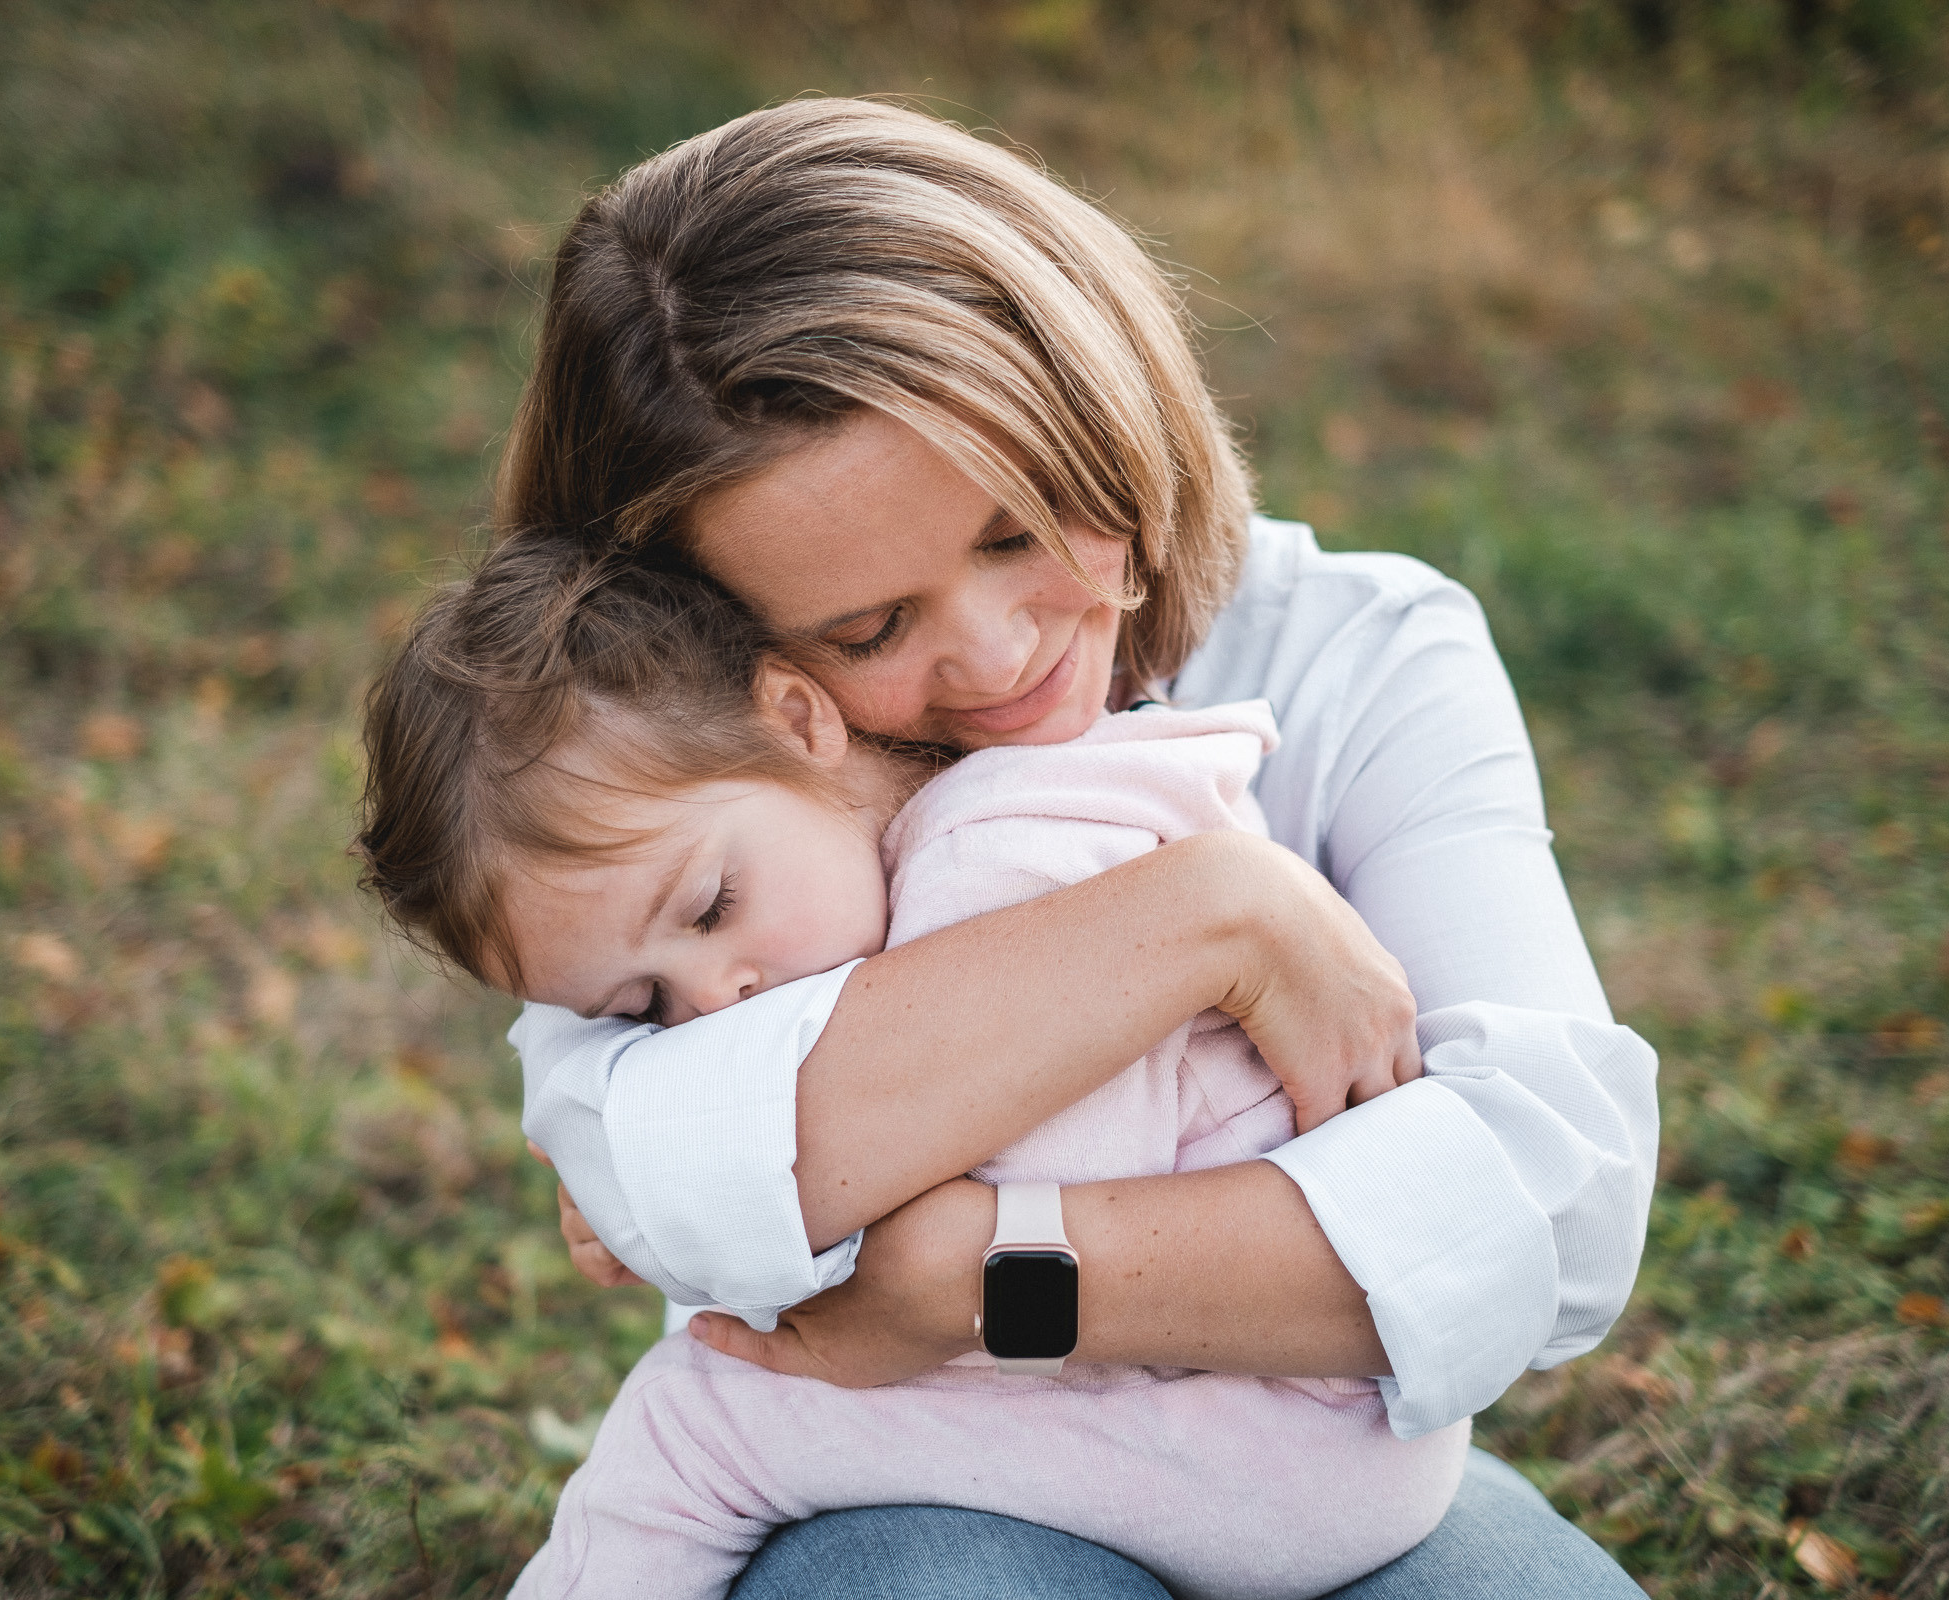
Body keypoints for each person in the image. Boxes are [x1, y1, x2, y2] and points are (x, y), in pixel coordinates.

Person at [492, 98, 1658, 1595]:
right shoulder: (665, 779)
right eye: (867, 629)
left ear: (1111, 403)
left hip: (1308, 1469)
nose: (994, 654)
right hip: (901, 1475)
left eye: (1020, 523)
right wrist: (1208, 918)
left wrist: (972, 1275)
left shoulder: (1360, 651)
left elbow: (1550, 1218)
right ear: (711, 649)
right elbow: (664, 1170)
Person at [355, 540, 1472, 1599]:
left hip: (1283, 1436)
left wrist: (685, 1217)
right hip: (1230, 1415)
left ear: (799, 722)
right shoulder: (890, 853)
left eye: (710, 908)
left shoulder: (1000, 857)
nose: (713, 1006)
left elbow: (1022, 1206)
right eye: (639, 1009)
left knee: (699, 1424)